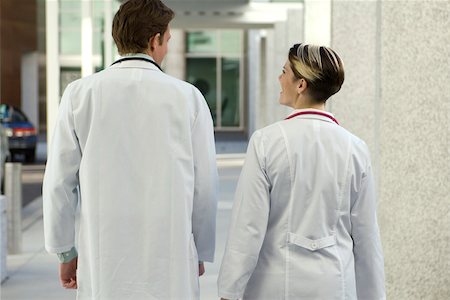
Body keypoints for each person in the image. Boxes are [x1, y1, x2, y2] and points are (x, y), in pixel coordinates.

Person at [43, 0, 218, 299]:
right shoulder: (188, 98)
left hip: (104, 256)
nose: (167, 48)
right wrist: (199, 249)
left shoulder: (79, 94)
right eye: (168, 41)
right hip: (171, 254)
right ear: (154, 40)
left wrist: (64, 250)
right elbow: (204, 184)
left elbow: (59, 181)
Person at [217, 43, 385, 299]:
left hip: (273, 287)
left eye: (284, 72)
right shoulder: (355, 148)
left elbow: (248, 227)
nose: (279, 78)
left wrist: (229, 292)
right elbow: (366, 236)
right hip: (335, 285)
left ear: (301, 85)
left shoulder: (265, 142)